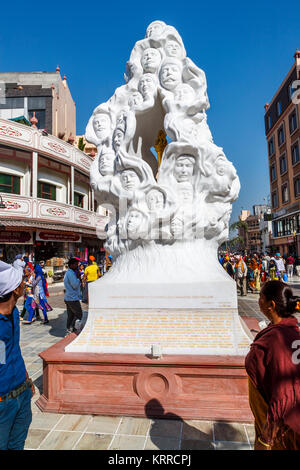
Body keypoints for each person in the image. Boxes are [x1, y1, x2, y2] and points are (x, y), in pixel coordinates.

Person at [245, 280, 300, 450]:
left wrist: (267, 438)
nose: (258, 300)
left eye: (260, 296)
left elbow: (285, 392)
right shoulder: (290, 331)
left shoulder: (277, 339)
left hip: (280, 432)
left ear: (271, 304)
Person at [0, 260, 35, 450]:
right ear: (14, 290)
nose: (25, 283)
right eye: (21, 281)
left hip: (21, 394)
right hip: (3, 403)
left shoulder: (12, 313)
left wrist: (26, 380)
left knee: (17, 445)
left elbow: (12, 352)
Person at [64, 258, 83, 336]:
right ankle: (73, 328)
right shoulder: (71, 273)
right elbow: (75, 285)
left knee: (71, 315)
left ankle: (69, 329)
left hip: (69, 297)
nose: (77, 266)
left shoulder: (69, 273)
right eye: (75, 264)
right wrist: (79, 278)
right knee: (79, 314)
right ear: (71, 265)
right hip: (72, 298)